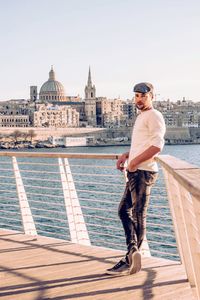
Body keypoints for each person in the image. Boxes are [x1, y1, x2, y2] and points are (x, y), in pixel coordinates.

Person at [106, 82, 166, 275]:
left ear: (152, 96)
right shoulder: (142, 117)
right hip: (135, 170)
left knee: (138, 214)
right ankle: (132, 252)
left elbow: (157, 146)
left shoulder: (154, 116)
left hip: (143, 172)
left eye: (143, 96)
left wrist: (134, 162)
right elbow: (143, 144)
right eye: (137, 96)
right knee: (124, 211)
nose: (139, 99)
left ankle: (129, 259)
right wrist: (127, 155)